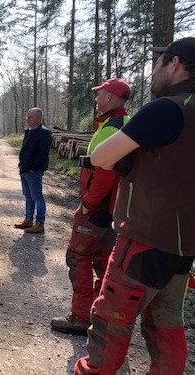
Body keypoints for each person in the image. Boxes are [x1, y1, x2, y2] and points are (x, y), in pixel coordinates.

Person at [74, 37, 195, 374]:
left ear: (174, 63)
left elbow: (101, 157)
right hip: (182, 251)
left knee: (109, 323)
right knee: (166, 326)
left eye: (159, 62)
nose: (154, 70)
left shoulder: (167, 109)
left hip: (144, 242)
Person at [51, 78, 131, 335]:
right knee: (103, 262)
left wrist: (87, 204)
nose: (96, 99)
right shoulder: (122, 124)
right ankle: (102, 315)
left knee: (79, 257)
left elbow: (104, 174)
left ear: (109, 97)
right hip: (114, 210)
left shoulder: (111, 129)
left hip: (97, 210)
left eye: (99, 95)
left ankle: (81, 316)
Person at [13, 107, 51, 234]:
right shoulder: (29, 132)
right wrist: (21, 166)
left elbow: (42, 154)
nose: (27, 119)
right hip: (24, 169)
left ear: (39, 118)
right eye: (27, 116)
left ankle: (39, 223)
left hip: (33, 171)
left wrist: (32, 169)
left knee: (37, 197)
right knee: (28, 196)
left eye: (31, 117)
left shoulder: (44, 133)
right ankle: (28, 220)